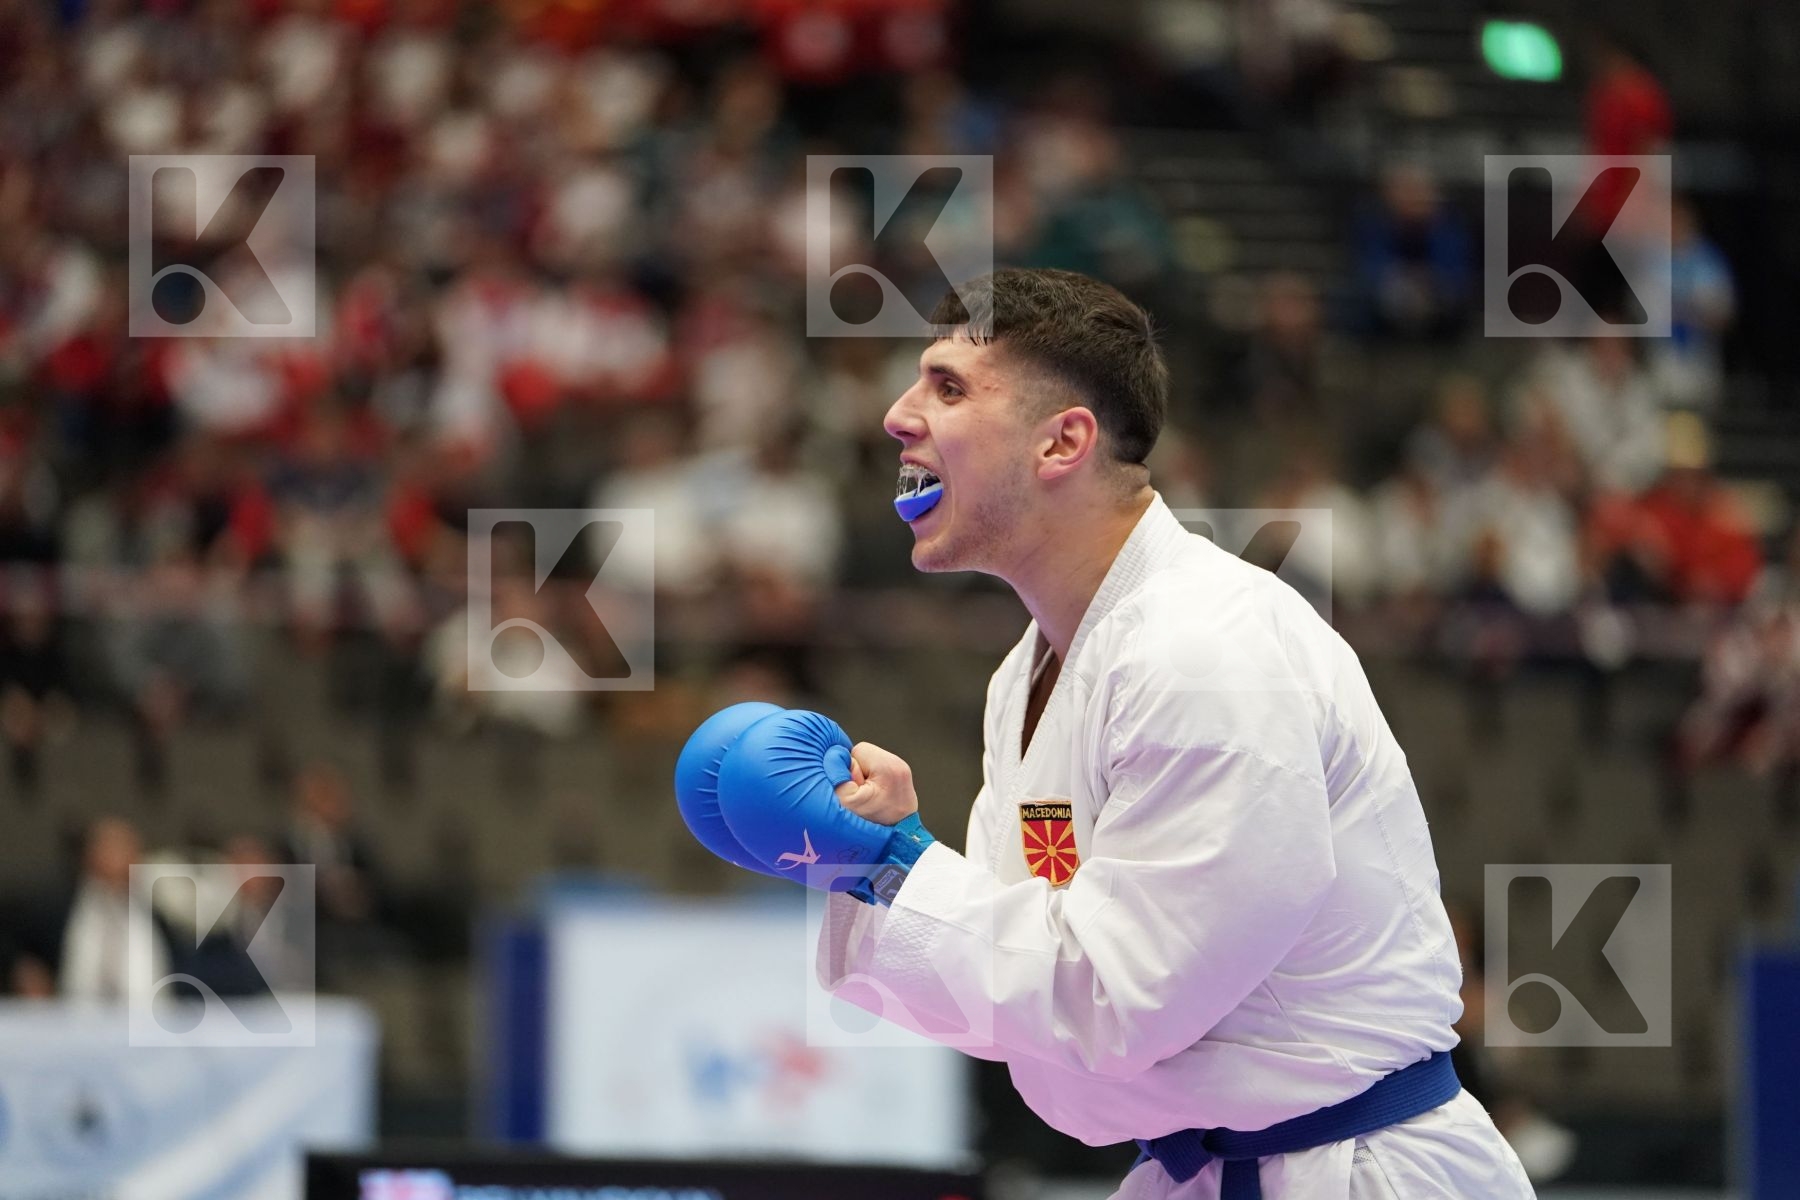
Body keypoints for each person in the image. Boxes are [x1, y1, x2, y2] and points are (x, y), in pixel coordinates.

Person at [677, 269, 1534, 1198]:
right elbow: (1030, 998)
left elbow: (1123, 998)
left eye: (949, 386)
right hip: (1196, 1171)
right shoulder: (1031, 672)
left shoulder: (1206, 648)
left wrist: (899, 864)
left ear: (1063, 442)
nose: (897, 414)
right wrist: (862, 864)